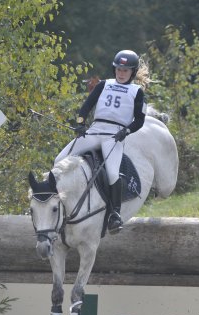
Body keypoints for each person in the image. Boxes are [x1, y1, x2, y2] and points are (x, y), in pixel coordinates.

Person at [55, 49, 148, 233]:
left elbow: (139, 120)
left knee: (113, 173)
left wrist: (126, 131)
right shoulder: (104, 84)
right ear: (114, 69)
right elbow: (86, 106)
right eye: (119, 69)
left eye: (125, 70)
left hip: (114, 136)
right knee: (59, 160)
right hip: (94, 130)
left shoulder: (137, 92)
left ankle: (115, 214)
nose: (121, 73)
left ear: (132, 72)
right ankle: (54, 202)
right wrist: (80, 123)